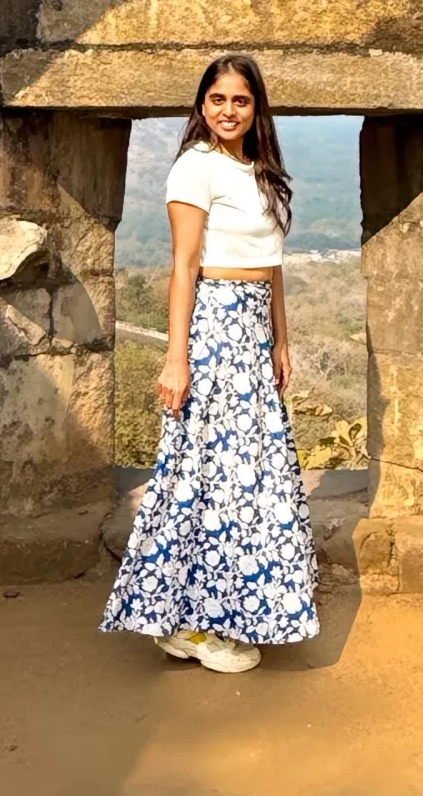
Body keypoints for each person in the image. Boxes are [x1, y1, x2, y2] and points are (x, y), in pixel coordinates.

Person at [100, 54, 319, 674]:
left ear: (256, 109)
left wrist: (280, 338)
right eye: (217, 99)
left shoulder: (260, 172)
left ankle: (217, 612)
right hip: (214, 325)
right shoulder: (195, 168)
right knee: (211, 469)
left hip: (252, 328)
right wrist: (177, 358)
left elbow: (273, 267)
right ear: (202, 106)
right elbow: (184, 265)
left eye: (240, 100)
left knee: (247, 473)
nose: (228, 110)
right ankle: (193, 622)